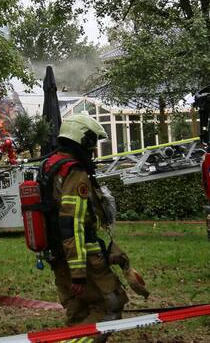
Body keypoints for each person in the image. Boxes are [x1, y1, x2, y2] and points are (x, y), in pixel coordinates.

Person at [43, 113, 130, 341]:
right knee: (110, 305)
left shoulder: (51, 166)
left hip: (58, 254)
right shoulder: (75, 173)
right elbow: (72, 223)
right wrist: (79, 274)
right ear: (81, 139)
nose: (92, 151)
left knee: (78, 312)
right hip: (83, 259)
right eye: (91, 144)